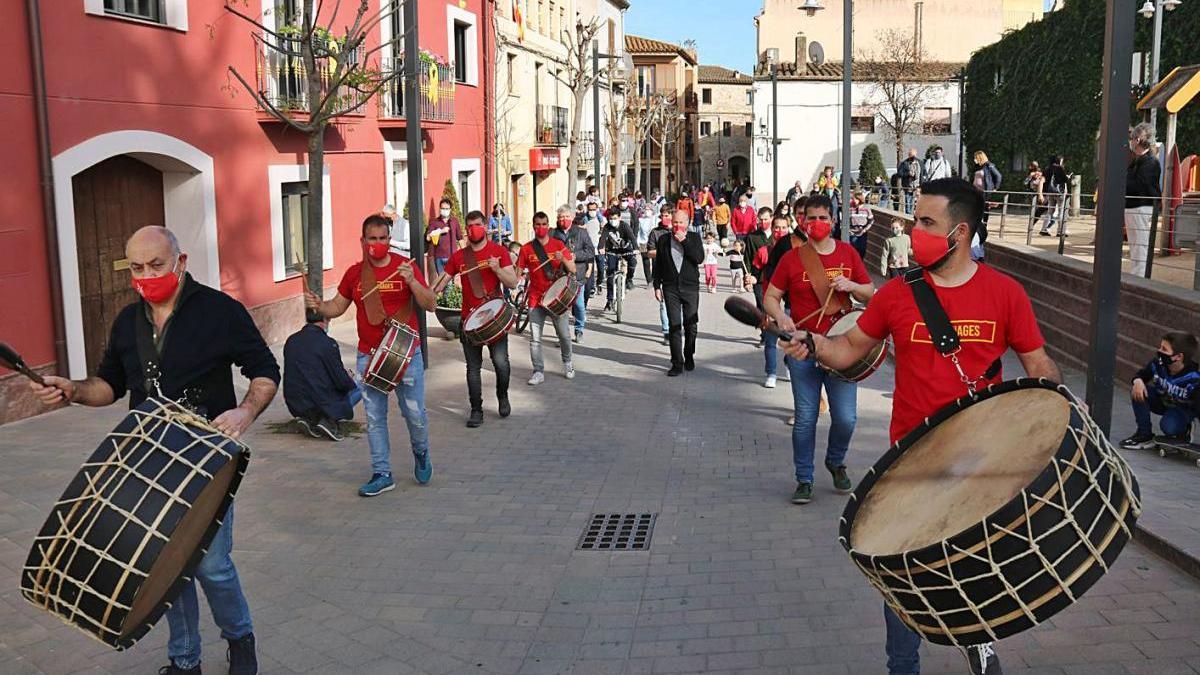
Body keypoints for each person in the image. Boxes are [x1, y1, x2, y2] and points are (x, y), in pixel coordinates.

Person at [779, 177, 1062, 675]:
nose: (915, 233)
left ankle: (979, 640)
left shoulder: (1005, 293)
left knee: (975, 560)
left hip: (982, 459)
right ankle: (902, 665)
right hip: (909, 459)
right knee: (902, 569)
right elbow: (847, 350)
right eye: (915, 222)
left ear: (961, 233)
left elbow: (1040, 369)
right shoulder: (896, 295)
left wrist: (1047, 429)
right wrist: (812, 341)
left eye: (927, 223)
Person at [30, 225, 278, 675]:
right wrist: (72, 390)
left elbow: (264, 371)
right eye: (137, 268)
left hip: (206, 461)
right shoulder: (128, 321)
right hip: (144, 461)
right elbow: (109, 384)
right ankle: (185, 660)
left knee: (212, 566)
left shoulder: (220, 312)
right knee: (163, 568)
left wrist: (244, 413)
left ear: (180, 263)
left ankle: (240, 638)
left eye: (156, 265)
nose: (146, 276)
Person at [306, 214, 437, 495]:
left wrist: (413, 282)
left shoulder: (407, 267)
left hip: (406, 354)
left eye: (382, 239)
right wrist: (319, 306)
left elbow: (430, 304)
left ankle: (421, 451)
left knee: (414, 414)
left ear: (390, 240)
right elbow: (337, 307)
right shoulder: (355, 274)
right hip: (369, 356)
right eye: (372, 239)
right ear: (362, 241)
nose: (377, 244)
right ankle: (382, 473)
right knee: (375, 418)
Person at [764, 195, 873, 505]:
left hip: (842, 348)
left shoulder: (849, 254)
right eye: (812, 218)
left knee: (846, 419)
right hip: (803, 347)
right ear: (803, 222)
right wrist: (781, 316)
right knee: (806, 418)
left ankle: (835, 460)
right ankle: (804, 479)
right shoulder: (791, 259)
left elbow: (870, 293)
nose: (818, 224)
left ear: (834, 220)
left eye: (824, 218)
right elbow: (771, 296)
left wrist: (850, 287)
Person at [433, 210, 519, 428]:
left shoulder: (499, 251)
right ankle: (476, 410)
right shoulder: (459, 257)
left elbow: (512, 283)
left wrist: (497, 269)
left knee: (501, 364)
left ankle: (502, 395)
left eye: (478, 224)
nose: (473, 229)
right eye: (469, 225)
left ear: (485, 226)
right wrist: (431, 292)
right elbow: (442, 281)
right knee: (473, 368)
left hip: (494, 319)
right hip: (468, 320)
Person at [518, 212, 578, 384]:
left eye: (544, 224)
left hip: (556, 298)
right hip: (536, 299)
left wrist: (563, 260)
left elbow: (572, 269)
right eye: (537, 224)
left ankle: (567, 362)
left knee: (564, 335)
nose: (541, 228)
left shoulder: (558, 244)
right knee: (535, 339)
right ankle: (538, 371)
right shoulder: (526, 249)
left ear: (548, 225)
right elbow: (518, 273)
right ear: (533, 225)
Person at [282, 312, 360, 441]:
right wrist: (349, 379)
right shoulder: (327, 343)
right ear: (325, 320)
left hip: (294, 400)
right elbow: (340, 379)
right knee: (360, 386)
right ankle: (329, 419)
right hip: (320, 399)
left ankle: (309, 419)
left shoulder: (291, 340)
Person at [1120, 332, 1200, 448]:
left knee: (1168, 427)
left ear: (1178, 357)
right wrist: (1137, 381)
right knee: (1138, 390)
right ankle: (1144, 435)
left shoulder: (1194, 378)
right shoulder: (1158, 364)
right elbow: (1143, 374)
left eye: (1164, 349)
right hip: (1162, 401)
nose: (1159, 351)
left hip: (1182, 410)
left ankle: (1185, 429)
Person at [653, 210, 705, 376]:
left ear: (687, 224)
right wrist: (656, 286)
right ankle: (677, 362)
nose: (677, 226)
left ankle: (689, 353)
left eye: (681, 223)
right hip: (670, 288)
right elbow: (658, 265)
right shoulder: (663, 240)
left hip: (690, 287)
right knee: (674, 326)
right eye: (675, 222)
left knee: (691, 325)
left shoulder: (694, 238)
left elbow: (699, 258)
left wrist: (685, 242)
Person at [553, 205, 595, 343]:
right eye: (560, 217)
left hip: (577, 275)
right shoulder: (552, 234)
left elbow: (590, 251)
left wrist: (575, 255)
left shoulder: (581, 233)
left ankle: (579, 329)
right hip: (559, 276)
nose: (563, 219)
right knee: (561, 308)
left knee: (579, 305)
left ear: (571, 217)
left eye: (566, 216)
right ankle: (563, 335)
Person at [1126, 122, 1162, 276]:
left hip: (1141, 206)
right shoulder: (1137, 161)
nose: (1130, 141)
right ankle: (1137, 274)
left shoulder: (1149, 162)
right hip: (1133, 206)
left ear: (1138, 139)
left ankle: (1140, 277)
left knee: (1140, 244)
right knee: (1135, 244)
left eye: (1132, 138)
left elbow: (1140, 185)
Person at [646, 205, 675, 345]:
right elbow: (650, 252)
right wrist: (664, 252)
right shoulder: (655, 232)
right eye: (663, 215)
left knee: (678, 304)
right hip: (661, 271)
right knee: (663, 304)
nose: (665, 218)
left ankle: (676, 327)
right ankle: (667, 332)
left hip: (678, 273)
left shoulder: (679, 231)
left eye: (668, 215)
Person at [599, 207, 638, 309]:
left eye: (615, 218)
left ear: (619, 218)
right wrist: (600, 248)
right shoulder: (607, 227)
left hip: (625, 249)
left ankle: (629, 279)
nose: (613, 221)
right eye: (611, 218)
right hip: (612, 251)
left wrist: (636, 248)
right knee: (610, 274)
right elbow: (602, 238)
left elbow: (632, 238)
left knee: (633, 262)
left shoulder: (624, 226)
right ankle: (610, 299)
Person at [972, 151, 1003, 246]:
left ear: (980, 157)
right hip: (976, 192)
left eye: (976, 157)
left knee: (984, 208)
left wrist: (995, 188)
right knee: (976, 209)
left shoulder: (989, 165)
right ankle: (978, 225)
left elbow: (998, 176)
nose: (974, 159)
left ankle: (983, 226)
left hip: (984, 192)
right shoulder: (978, 167)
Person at [426, 197, 462, 278]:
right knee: (442, 281)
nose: (444, 210)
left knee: (451, 281)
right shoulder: (434, 222)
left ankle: (450, 291)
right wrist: (440, 231)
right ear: (440, 209)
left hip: (452, 256)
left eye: (446, 208)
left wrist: (465, 253)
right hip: (439, 257)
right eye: (442, 208)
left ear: (450, 209)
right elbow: (428, 238)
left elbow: (460, 238)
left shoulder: (454, 221)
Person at [1039, 155, 1070, 237]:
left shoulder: (1048, 168)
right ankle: (1060, 231)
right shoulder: (1060, 168)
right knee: (1061, 211)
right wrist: (1068, 177)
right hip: (1059, 192)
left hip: (1050, 192)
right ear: (1059, 161)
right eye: (1062, 161)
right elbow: (1065, 180)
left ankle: (1044, 229)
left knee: (1050, 211)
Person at [1025, 161, 1050, 234]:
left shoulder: (1040, 172)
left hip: (1041, 194)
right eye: (1032, 165)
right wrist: (1030, 176)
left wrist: (1038, 175)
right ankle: (1036, 227)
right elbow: (1026, 183)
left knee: (1042, 210)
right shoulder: (1030, 174)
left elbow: (1041, 181)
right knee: (1036, 211)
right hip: (1033, 195)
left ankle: (1043, 228)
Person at [848, 191, 874, 260]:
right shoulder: (850, 208)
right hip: (852, 233)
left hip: (862, 233)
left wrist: (865, 229)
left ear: (859, 199)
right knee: (852, 252)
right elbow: (846, 220)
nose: (853, 200)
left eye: (855, 199)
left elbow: (871, 220)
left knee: (861, 251)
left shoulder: (866, 209)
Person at [637, 204, 658, 285]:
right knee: (646, 262)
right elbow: (639, 232)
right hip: (643, 242)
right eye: (645, 209)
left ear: (652, 211)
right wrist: (638, 242)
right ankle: (649, 280)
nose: (647, 211)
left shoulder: (655, 219)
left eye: (649, 209)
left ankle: (654, 277)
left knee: (655, 261)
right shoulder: (641, 220)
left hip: (653, 242)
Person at [899, 149, 922, 214]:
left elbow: (922, 174)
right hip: (907, 186)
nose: (912, 156)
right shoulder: (904, 163)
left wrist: (921, 185)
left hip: (916, 186)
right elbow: (900, 173)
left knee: (914, 202)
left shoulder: (919, 162)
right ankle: (908, 214)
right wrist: (907, 174)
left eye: (913, 155)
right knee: (907, 201)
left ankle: (912, 214)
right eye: (911, 155)